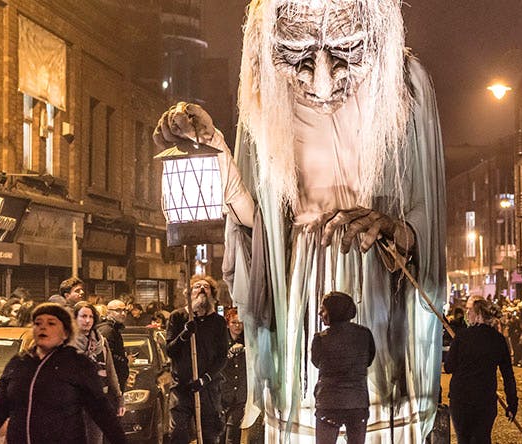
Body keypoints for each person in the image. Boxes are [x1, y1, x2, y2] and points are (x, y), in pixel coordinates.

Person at [153, 1, 446, 440]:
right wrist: (214, 148)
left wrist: (391, 227)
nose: (322, 83)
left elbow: (427, 210)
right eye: (299, 57)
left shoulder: (407, 84)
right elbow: (262, 227)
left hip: (376, 271)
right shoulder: (263, 91)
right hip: (300, 277)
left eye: (346, 53)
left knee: (379, 400)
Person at [0, 303, 126, 444]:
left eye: (51, 324)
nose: (44, 328)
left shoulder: (79, 365)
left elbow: (101, 411)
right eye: (39, 323)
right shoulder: (18, 364)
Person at [445, 298, 518, 444]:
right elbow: (508, 375)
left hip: (461, 399)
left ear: (478, 315)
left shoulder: (462, 336)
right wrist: (512, 403)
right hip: (485, 399)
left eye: (470, 311)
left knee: (464, 439)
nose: (467, 314)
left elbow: (449, 367)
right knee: (482, 438)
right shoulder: (498, 339)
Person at [166, 275, 227, 444]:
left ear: (212, 295)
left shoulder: (218, 322)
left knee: (209, 434)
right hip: (181, 388)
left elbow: (222, 356)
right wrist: (185, 334)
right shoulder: (177, 317)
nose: (201, 289)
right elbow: (170, 350)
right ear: (189, 293)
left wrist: (205, 378)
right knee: (178, 433)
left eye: (206, 287)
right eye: (197, 286)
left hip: (207, 388)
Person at [310, 292, 376, 444]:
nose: (320, 313)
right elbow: (368, 360)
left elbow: (316, 362)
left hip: (329, 403)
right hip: (357, 402)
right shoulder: (364, 334)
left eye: (323, 309)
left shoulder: (320, 339)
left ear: (333, 311)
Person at [72, 302, 124, 444]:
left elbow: (110, 371)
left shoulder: (101, 341)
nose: (87, 320)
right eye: (83, 316)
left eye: (90, 317)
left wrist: (119, 398)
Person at [220, 308, 247, 444]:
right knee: (220, 432)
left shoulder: (248, 340)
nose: (237, 326)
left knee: (233, 433)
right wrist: (229, 354)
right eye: (234, 322)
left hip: (240, 396)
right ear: (228, 324)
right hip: (223, 394)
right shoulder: (220, 342)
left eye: (240, 323)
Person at [97, 299, 130, 391]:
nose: (123, 313)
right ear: (108, 312)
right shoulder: (107, 330)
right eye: (118, 310)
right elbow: (107, 358)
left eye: (125, 310)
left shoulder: (114, 329)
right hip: (110, 382)